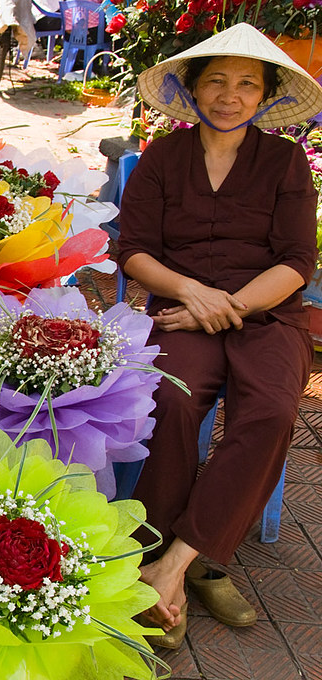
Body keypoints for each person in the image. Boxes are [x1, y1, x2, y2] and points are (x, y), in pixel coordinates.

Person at [117, 23, 322, 648]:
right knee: (173, 399)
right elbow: (133, 251)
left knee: (272, 410)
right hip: (182, 306)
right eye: (216, 82)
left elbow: (295, 263)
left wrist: (223, 304)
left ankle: (174, 566)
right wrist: (190, 293)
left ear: (264, 96)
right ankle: (173, 552)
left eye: (246, 85)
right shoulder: (162, 158)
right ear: (192, 89)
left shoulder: (284, 161)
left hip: (266, 312)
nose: (229, 96)